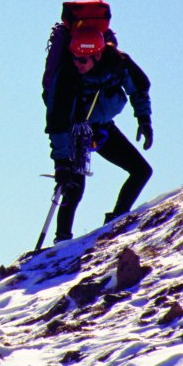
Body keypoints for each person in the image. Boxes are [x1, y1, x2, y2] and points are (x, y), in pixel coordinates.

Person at [44, 26, 153, 243]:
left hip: (103, 127)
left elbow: (139, 88)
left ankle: (115, 221)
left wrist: (144, 120)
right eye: (74, 58)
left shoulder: (118, 64)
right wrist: (62, 163)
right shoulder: (68, 77)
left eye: (83, 60)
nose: (77, 63)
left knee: (141, 171)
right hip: (76, 131)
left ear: (99, 54)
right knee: (73, 186)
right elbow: (58, 123)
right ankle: (62, 241)